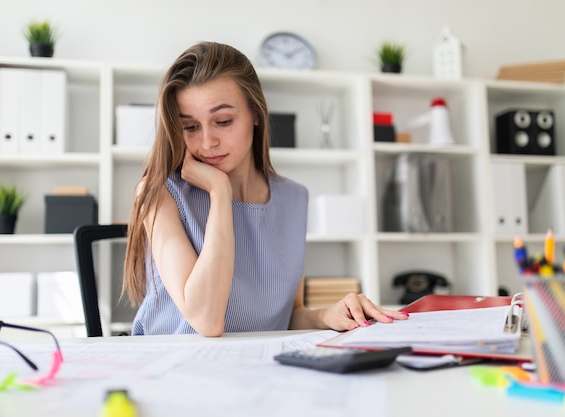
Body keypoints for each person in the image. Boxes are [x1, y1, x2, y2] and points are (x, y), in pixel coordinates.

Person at [122, 41, 409, 337]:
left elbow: (287, 317)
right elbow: (205, 320)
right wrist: (220, 194)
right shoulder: (159, 193)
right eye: (190, 127)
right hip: (171, 369)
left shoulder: (293, 199)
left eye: (223, 121)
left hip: (256, 369)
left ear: (255, 114)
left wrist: (328, 314)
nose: (207, 142)